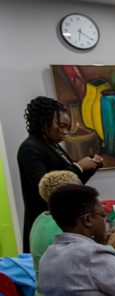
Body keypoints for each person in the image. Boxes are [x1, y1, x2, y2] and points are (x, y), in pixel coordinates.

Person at [30, 171, 115, 296]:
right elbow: (91, 262)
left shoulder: (42, 219)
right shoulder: (61, 228)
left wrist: (101, 237)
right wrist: (111, 246)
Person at [16, 96, 103, 247]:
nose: (65, 132)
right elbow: (45, 187)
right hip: (47, 225)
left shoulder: (52, 145)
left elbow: (71, 186)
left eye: (67, 127)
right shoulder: (30, 148)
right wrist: (79, 167)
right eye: (61, 126)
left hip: (61, 219)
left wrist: (91, 167)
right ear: (44, 122)